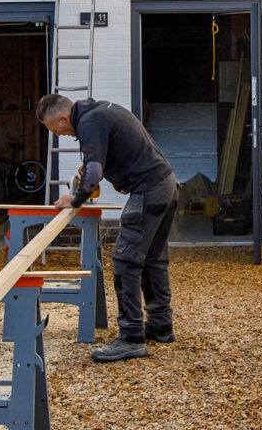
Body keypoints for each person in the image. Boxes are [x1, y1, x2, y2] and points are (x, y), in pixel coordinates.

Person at [36, 93, 178, 362]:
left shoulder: (89, 122)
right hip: (165, 185)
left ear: (65, 117)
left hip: (149, 190)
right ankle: (160, 325)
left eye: (56, 129)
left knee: (125, 260)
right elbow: (110, 155)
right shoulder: (98, 112)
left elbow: (93, 172)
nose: (59, 134)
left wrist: (75, 199)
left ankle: (131, 338)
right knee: (153, 260)